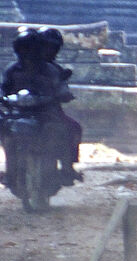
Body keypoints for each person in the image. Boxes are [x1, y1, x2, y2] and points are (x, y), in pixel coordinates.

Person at [2, 27, 85, 197]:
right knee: (5, 132)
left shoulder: (50, 70)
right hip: (18, 113)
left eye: (31, 50)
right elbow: (3, 87)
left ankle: (67, 166)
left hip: (47, 113)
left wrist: (61, 94)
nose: (28, 54)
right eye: (24, 50)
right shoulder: (12, 70)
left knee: (67, 130)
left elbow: (60, 87)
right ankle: (11, 170)